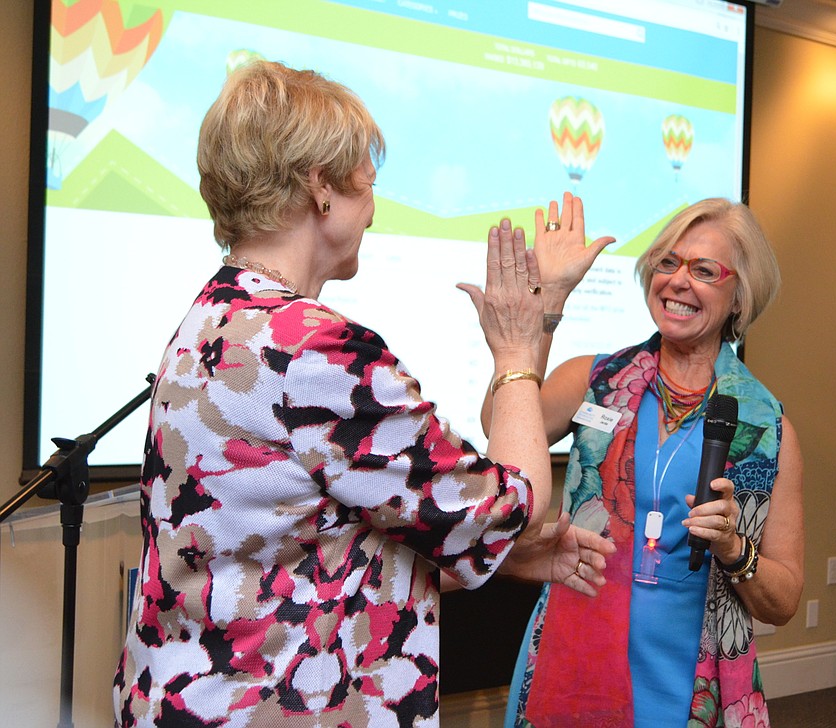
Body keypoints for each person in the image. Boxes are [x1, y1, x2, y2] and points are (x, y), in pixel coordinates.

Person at [112, 60, 612, 727]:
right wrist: (519, 344)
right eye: (367, 184)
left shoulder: (212, 316)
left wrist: (508, 556)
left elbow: (316, 527)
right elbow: (511, 501)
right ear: (320, 187)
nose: (373, 210)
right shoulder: (318, 351)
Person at [490, 195, 805, 726]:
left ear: (738, 298)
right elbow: (499, 426)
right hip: (574, 656)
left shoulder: (767, 430)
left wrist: (733, 547)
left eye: (704, 270)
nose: (679, 281)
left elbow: (783, 600)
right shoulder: (590, 379)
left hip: (686, 679)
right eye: (667, 262)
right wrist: (547, 307)